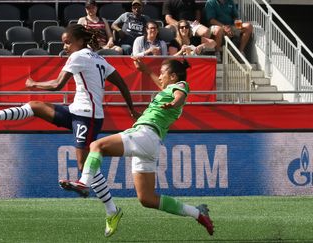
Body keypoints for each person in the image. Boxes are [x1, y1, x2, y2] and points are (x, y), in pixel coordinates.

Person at [0, 24, 139, 238]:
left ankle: (110, 209)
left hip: (88, 117)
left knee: (83, 164)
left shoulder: (78, 56)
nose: (64, 45)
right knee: (36, 106)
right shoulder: (99, 59)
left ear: (79, 41)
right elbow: (123, 83)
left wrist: (34, 83)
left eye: (67, 42)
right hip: (77, 111)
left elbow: (58, 85)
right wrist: (132, 108)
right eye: (63, 42)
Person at [59, 58, 214, 236]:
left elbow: (180, 96)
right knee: (147, 199)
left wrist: (173, 103)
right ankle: (197, 213)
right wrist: (147, 71)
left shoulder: (180, 85)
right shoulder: (169, 89)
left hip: (146, 135)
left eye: (163, 72)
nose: (160, 76)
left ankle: (84, 183)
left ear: (173, 76)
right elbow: (168, 89)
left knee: (96, 145)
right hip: (151, 143)